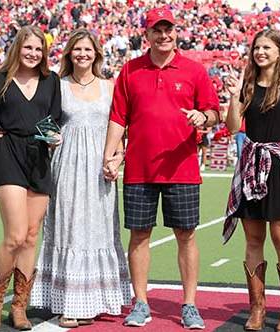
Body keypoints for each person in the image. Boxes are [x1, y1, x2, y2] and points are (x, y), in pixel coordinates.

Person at [103, 7, 220, 330]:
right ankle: (140, 302)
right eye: (157, 29)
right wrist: (109, 155)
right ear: (148, 34)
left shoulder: (194, 71)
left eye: (169, 29)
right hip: (139, 169)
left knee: (186, 235)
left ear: (176, 33)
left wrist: (203, 119)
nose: (164, 35)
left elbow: (212, 112)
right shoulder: (130, 70)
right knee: (139, 235)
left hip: (181, 168)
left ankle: (190, 305)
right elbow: (117, 118)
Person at [30, 28, 131, 328]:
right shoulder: (56, 87)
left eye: (88, 50)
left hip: (100, 170)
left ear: (96, 54)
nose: (82, 54)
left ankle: (94, 300)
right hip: (66, 167)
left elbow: (120, 127)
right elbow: (42, 122)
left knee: (98, 230)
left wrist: (117, 157)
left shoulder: (110, 87)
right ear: (69, 54)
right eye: (77, 50)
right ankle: (66, 303)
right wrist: (49, 138)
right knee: (68, 228)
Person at [0, 25, 62, 331]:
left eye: (39, 50)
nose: (33, 54)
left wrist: (53, 137)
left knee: (31, 235)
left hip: (39, 158)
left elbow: (54, 119)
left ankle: (19, 306)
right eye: (28, 48)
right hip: (7, 152)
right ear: (17, 49)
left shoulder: (51, 81)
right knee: (15, 235)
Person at [223, 29, 280, 332]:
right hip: (250, 166)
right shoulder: (246, 84)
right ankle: (257, 308)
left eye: (267, 47)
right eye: (257, 47)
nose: (261, 52)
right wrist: (234, 97)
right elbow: (234, 127)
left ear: (279, 51)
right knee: (253, 239)